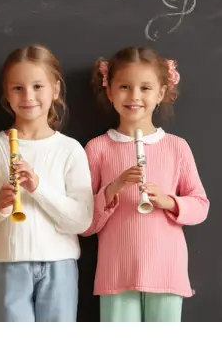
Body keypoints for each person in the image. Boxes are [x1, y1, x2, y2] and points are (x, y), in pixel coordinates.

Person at [81, 46, 210, 322]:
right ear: (110, 90)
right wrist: (113, 189)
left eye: (145, 88)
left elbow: (200, 205)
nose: (135, 96)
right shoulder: (97, 148)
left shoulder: (176, 147)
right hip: (116, 273)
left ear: (161, 93)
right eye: (125, 86)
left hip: (166, 272)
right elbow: (84, 223)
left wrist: (169, 202)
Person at [0, 44, 93, 322]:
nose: (28, 97)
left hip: (60, 265)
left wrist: (38, 188)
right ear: (6, 93)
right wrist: (0, 207)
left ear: (55, 90)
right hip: (4, 265)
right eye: (18, 88)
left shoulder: (70, 149)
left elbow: (81, 222)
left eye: (38, 86)